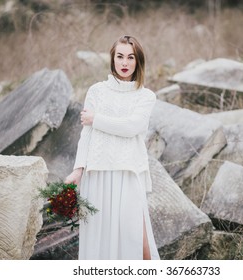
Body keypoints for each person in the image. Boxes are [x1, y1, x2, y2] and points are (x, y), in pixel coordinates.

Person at [65, 35, 160, 260]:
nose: (125, 63)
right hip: (97, 174)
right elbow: (86, 135)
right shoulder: (96, 91)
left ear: (138, 61)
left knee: (137, 240)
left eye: (130, 57)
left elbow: (132, 127)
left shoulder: (146, 96)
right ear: (112, 59)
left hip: (129, 173)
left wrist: (96, 119)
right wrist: (78, 170)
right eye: (120, 56)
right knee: (99, 243)